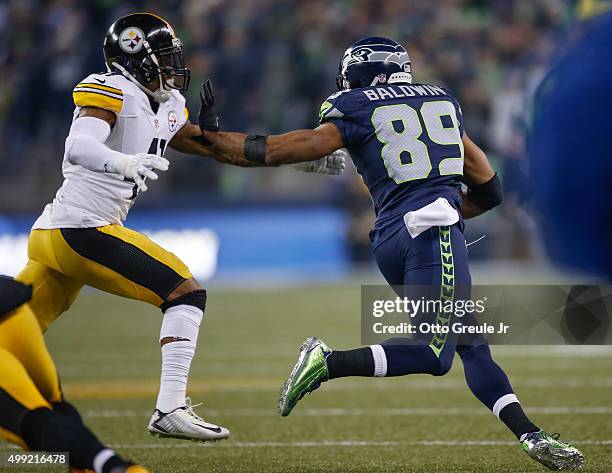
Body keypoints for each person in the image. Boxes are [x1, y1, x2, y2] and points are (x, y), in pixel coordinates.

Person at [196, 37, 584, 470]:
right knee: (435, 355)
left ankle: (530, 435)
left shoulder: (353, 107)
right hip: (433, 233)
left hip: (390, 240)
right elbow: (490, 188)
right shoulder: (442, 101)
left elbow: (276, 150)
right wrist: (453, 212)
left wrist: (212, 139)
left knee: (471, 344)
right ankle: (328, 361)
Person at [15, 12, 345, 443]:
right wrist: (124, 162)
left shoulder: (168, 107)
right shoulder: (111, 88)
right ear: (135, 59)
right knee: (185, 293)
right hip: (81, 227)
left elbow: (220, 149)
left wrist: (302, 159)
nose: (173, 65)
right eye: (164, 57)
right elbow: (78, 146)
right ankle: (170, 407)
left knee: (13, 328)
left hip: (63, 233)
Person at [0, 276, 149, 473]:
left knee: (35, 421)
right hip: (17, 313)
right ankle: (82, 464)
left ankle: (114, 466)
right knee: (55, 404)